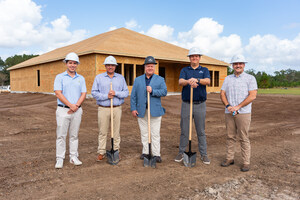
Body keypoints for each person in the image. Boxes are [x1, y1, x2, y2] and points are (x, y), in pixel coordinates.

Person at [220, 54, 257, 172]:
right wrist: (228, 106)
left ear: (244, 65)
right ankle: (229, 158)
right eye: (236, 64)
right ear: (232, 65)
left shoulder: (250, 78)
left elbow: (252, 96)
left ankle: (246, 162)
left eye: (240, 63)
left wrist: (238, 107)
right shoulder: (227, 79)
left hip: (244, 113)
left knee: (243, 137)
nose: (238, 65)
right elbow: (222, 93)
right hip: (229, 112)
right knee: (230, 136)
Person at [174, 47, 211, 165]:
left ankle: (204, 154)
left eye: (196, 56)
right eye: (192, 56)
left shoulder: (204, 69)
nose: (194, 58)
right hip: (186, 104)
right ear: (189, 58)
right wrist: (188, 81)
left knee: (201, 130)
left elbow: (208, 81)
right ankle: (181, 152)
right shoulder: (185, 70)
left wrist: (197, 80)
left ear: (199, 58)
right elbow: (180, 81)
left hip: (200, 104)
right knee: (185, 130)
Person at [91, 56, 129, 161]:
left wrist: (116, 93)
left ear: (115, 66)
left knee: (116, 132)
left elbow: (126, 92)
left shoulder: (121, 78)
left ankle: (116, 151)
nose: (110, 67)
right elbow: (94, 93)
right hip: (103, 108)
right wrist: (106, 96)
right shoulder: (99, 78)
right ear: (105, 66)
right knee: (102, 131)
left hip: (117, 108)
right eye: (108, 65)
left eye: (112, 65)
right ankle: (101, 152)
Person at [130, 56, 167, 163]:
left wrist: (153, 91)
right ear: (145, 67)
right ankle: (145, 152)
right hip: (141, 111)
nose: (150, 68)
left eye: (152, 66)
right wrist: (133, 108)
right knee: (144, 133)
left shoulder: (160, 79)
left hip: (155, 111)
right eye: (148, 66)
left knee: (155, 134)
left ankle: (156, 154)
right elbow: (133, 96)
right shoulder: (138, 80)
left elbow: (164, 92)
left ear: (154, 67)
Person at [54, 52, 87, 169]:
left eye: (74, 63)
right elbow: (58, 93)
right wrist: (70, 105)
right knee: (61, 135)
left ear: (77, 64)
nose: (72, 65)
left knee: (74, 135)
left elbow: (84, 93)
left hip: (77, 110)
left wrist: (76, 106)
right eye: (70, 63)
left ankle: (73, 156)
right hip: (63, 110)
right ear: (66, 64)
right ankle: (60, 158)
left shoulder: (81, 78)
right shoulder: (60, 77)